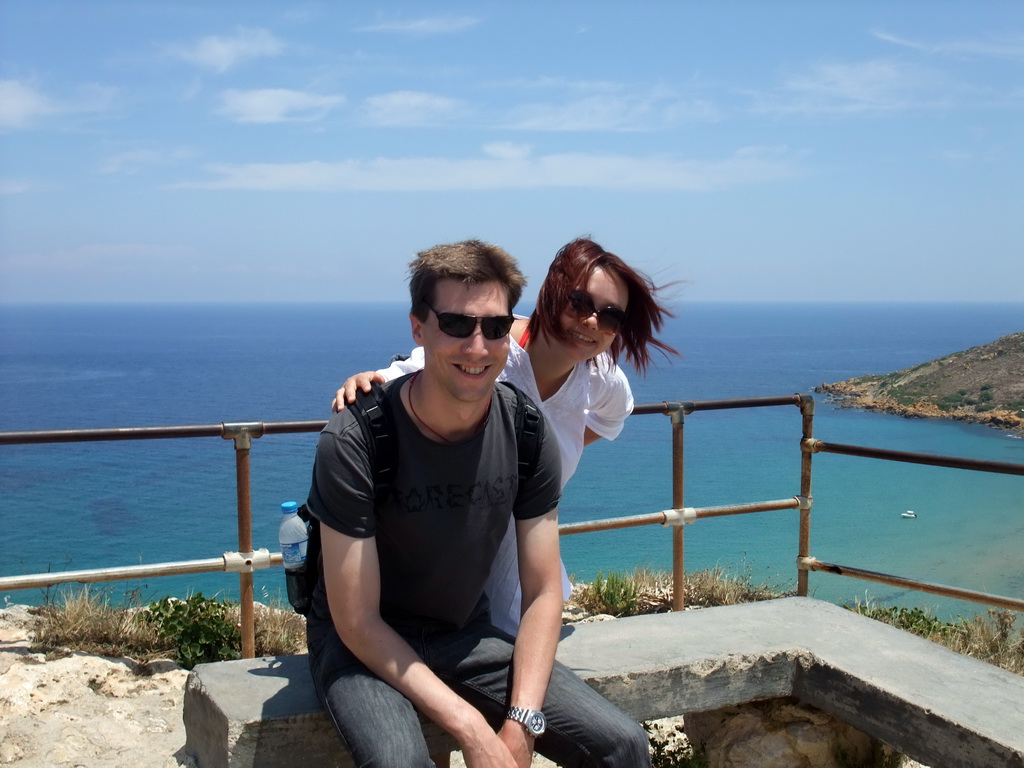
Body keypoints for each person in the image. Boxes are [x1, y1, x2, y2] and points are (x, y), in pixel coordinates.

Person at [306, 239, 651, 767]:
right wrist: (472, 728)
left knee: (623, 745)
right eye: (456, 325)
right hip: (363, 644)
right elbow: (357, 621)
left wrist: (523, 721)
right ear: (419, 329)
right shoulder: (357, 438)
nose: (477, 345)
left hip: (462, 630)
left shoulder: (527, 429)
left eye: (493, 328)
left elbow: (542, 590)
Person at [334, 237, 678, 635]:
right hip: (441, 590)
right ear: (552, 290)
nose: (591, 323)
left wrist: (542, 459)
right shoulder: (492, 350)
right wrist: (363, 384)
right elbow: (413, 376)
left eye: (610, 316)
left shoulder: (598, 378)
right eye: (579, 302)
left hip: (525, 593)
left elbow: (614, 415)